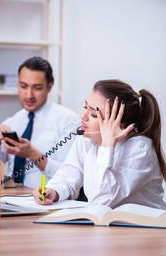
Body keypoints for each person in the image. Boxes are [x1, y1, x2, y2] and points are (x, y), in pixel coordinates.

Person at [34, 79, 166, 209]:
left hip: (145, 227)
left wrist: (108, 145)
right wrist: (54, 191)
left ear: (118, 123)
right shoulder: (87, 141)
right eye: (85, 107)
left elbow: (102, 200)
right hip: (109, 225)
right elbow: (68, 176)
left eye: (93, 114)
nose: (83, 116)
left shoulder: (140, 149)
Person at [0, 56, 79, 188]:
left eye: (37, 88)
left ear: (49, 86)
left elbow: (71, 175)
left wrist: (32, 154)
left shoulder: (68, 121)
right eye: (23, 86)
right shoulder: (12, 121)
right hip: (10, 197)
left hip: (46, 201)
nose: (29, 95)